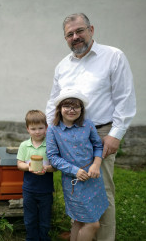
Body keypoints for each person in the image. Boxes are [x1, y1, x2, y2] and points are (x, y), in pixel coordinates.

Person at [45, 13, 136, 241]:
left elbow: (125, 98)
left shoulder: (113, 56)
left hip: (101, 133)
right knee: (74, 185)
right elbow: (52, 101)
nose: (75, 37)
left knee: (101, 191)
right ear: (65, 38)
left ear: (91, 29)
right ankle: (81, 233)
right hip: (66, 134)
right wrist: (52, 132)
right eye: (69, 34)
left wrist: (115, 134)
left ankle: (104, 238)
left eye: (79, 31)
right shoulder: (62, 66)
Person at [46, 88, 109, 241]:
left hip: (93, 178)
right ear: (60, 109)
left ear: (81, 109)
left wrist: (96, 164)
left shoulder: (87, 125)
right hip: (74, 181)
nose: (71, 110)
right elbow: (53, 157)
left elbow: (98, 146)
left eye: (76, 106)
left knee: (80, 221)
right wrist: (75, 171)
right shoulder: (53, 130)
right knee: (93, 224)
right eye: (67, 106)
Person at [17, 110, 56, 241]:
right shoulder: (24, 146)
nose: (37, 132)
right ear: (28, 129)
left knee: (45, 219)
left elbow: (55, 167)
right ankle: (31, 238)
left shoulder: (50, 145)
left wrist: (47, 168)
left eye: (41, 128)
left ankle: (44, 238)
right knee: (30, 218)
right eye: (33, 129)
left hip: (45, 190)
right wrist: (29, 167)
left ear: (46, 127)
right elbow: (19, 164)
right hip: (29, 189)